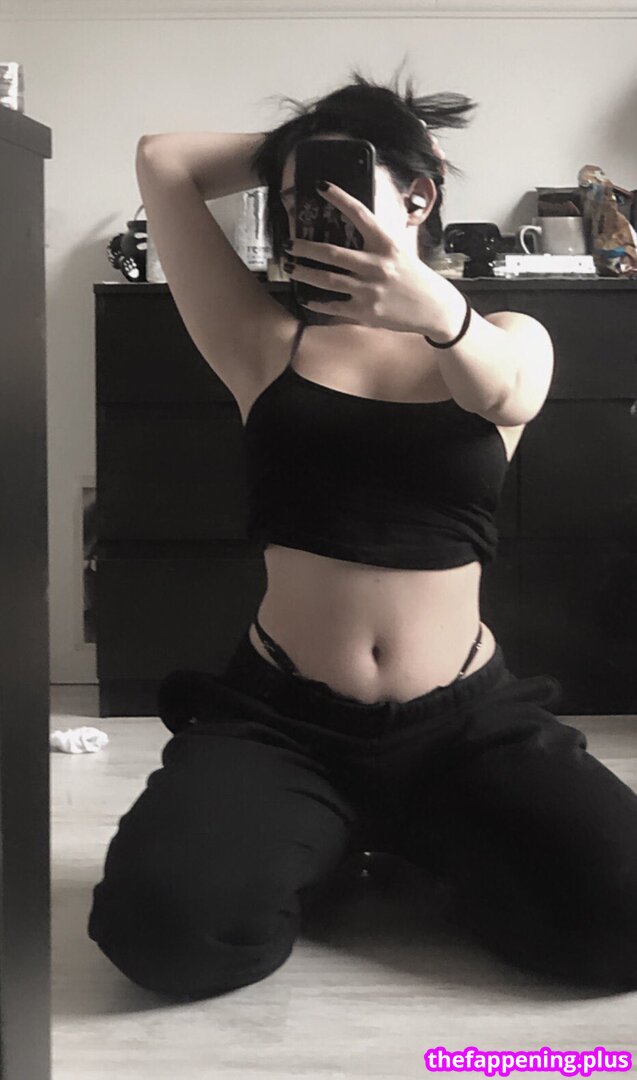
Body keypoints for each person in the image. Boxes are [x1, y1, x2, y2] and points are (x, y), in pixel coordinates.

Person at [88, 64, 637, 1001]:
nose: (311, 214)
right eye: (295, 199)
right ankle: (337, 846)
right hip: (283, 723)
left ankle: (422, 845)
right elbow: (162, 160)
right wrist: (314, 141)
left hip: (466, 724)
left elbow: (507, 393)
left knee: (623, 919)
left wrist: (435, 306)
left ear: (419, 196)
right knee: (160, 933)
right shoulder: (265, 341)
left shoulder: (504, 334)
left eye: (341, 189)